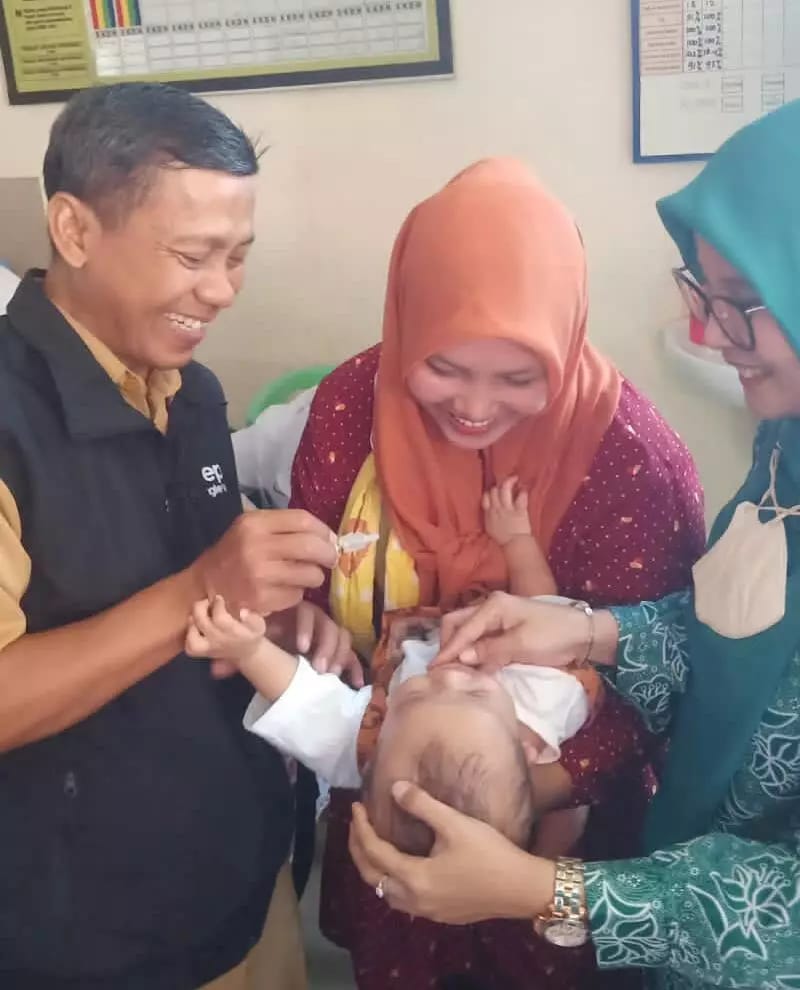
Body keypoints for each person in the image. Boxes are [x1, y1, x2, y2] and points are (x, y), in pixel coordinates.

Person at [348, 100, 800, 990]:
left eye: (745, 304)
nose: (709, 334)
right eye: (704, 295)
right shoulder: (784, 448)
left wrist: (550, 889)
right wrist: (592, 632)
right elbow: (744, 647)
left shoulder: (632, 456)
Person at [289, 157, 706, 988]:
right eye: (444, 368)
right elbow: (312, 576)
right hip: (396, 812)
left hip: (563, 849)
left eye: (519, 378)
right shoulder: (351, 408)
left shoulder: (630, 461)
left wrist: (517, 788)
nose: (475, 407)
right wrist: (308, 622)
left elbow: (668, 680)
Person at [0, 83, 359, 990]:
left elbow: (197, 580)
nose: (223, 291)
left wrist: (270, 618)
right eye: (193, 256)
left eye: (238, 257)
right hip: (90, 931)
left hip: (238, 873)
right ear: (74, 230)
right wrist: (205, 586)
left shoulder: (190, 392)